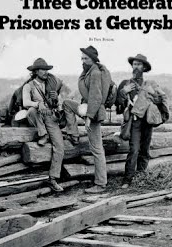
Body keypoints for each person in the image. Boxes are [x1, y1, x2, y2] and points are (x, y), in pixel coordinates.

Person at [116, 54, 169, 189]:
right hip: (134, 121)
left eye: (139, 64)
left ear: (144, 67)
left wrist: (152, 95)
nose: (136, 67)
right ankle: (127, 179)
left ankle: (141, 177)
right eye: (134, 64)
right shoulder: (125, 83)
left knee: (145, 150)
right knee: (134, 150)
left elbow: (160, 100)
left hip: (147, 120)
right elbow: (118, 104)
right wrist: (123, 92)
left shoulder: (151, 84)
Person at [63, 46, 110, 193]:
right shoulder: (88, 71)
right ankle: (74, 134)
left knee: (97, 149)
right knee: (67, 103)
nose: (82, 60)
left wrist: (89, 118)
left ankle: (101, 183)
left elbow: (96, 96)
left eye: (86, 58)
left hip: (94, 112)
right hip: (88, 108)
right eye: (82, 58)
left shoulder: (95, 72)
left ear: (93, 59)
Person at [22, 58, 65, 192]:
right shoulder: (28, 86)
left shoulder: (51, 84)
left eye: (47, 69)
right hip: (37, 115)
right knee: (31, 110)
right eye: (42, 69)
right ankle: (43, 133)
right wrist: (37, 104)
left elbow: (59, 104)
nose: (46, 72)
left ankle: (52, 178)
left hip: (50, 117)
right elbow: (25, 102)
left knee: (60, 146)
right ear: (35, 71)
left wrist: (56, 99)